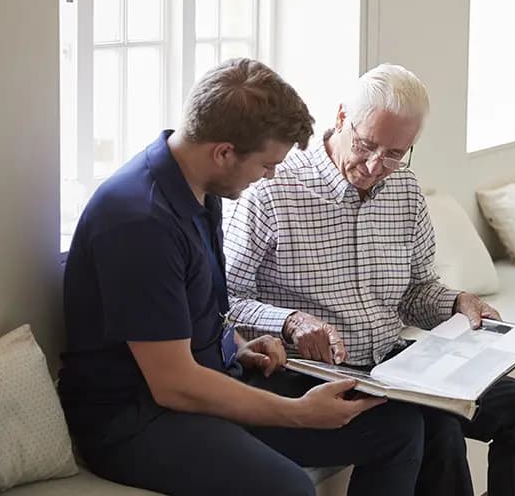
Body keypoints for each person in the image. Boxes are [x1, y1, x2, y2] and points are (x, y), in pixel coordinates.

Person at [57, 59, 425, 496]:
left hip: (203, 381)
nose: (269, 176)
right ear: (224, 152)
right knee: (287, 488)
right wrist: (297, 412)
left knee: (397, 428)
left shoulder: (202, 188)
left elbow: (199, 312)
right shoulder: (139, 220)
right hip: (136, 419)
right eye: (266, 164)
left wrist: (237, 345)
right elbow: (173, 384)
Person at [223, 63, 515, 496]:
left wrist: (456, 304)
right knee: (436, 427)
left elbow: (417, 289)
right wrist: (292, 321)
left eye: (396, 153)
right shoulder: (271, 190)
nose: (377, 165)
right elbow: (228, 300)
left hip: (394, 365)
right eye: (366, 145)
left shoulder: (405, 190)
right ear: (341, 117)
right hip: (308, 374)